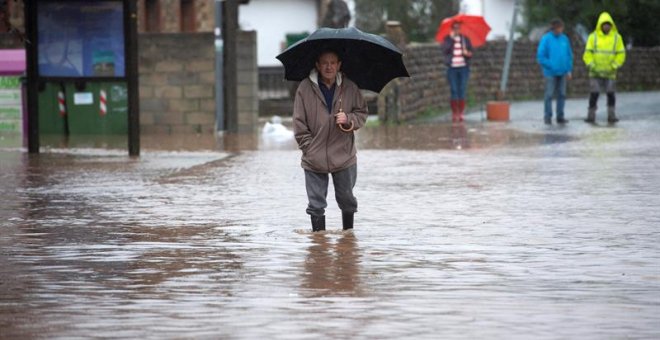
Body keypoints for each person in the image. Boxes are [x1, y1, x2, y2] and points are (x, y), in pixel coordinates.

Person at [293, 49, 368, 232]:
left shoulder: (349, 87)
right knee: (316, 204)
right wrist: (309, 148)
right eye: (324, 63)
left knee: (347, 200)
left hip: (343, 155)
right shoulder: (304, 88)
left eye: (333, 63)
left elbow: (362, 113)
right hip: (314, 157)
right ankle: (319, 245)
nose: (329, 67)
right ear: (317, 65)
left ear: (339, 65)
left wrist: (349, 118)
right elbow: (299, 122)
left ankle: (348, 238)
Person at [583, 12, 626, 123]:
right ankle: (590, 116)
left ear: (611, 25)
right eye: (604, 24)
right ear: (600, 25)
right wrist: (591, 64)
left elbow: (621, 54)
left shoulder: (617, 38)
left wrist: (614, 65)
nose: (606, 26)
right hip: (595, 72)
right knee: (594, 94)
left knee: (611, 94)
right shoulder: (593, 37)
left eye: (608, 24)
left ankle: (611, 116)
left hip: (610, 72)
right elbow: (587, 53)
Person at [536, 18, 573, 125]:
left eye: (561, 28)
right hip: (550, 73)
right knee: (549, 95)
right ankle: (547, 117)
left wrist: (569, 70)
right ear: (554, 28)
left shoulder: (565, 39)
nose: (560, 30)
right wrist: (551, 65)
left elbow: (569, 55)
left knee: (562, 94)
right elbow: (540, 56)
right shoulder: (546, 39)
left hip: (563, 72)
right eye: (559, 28)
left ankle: (560, 116)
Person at [441, 21, 473, 122]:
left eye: (458, 28)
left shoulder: (465, 39)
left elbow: (471, 52)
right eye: (454, 28)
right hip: (452, 68)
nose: (456, 30)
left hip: (463, 68)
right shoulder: (448, 39)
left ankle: (461, 113)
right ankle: (455, 113)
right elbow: (444, 50)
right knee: (454, 90)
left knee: (462, 89)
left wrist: (466, 53)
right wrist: (451, 39)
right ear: (452, 29)